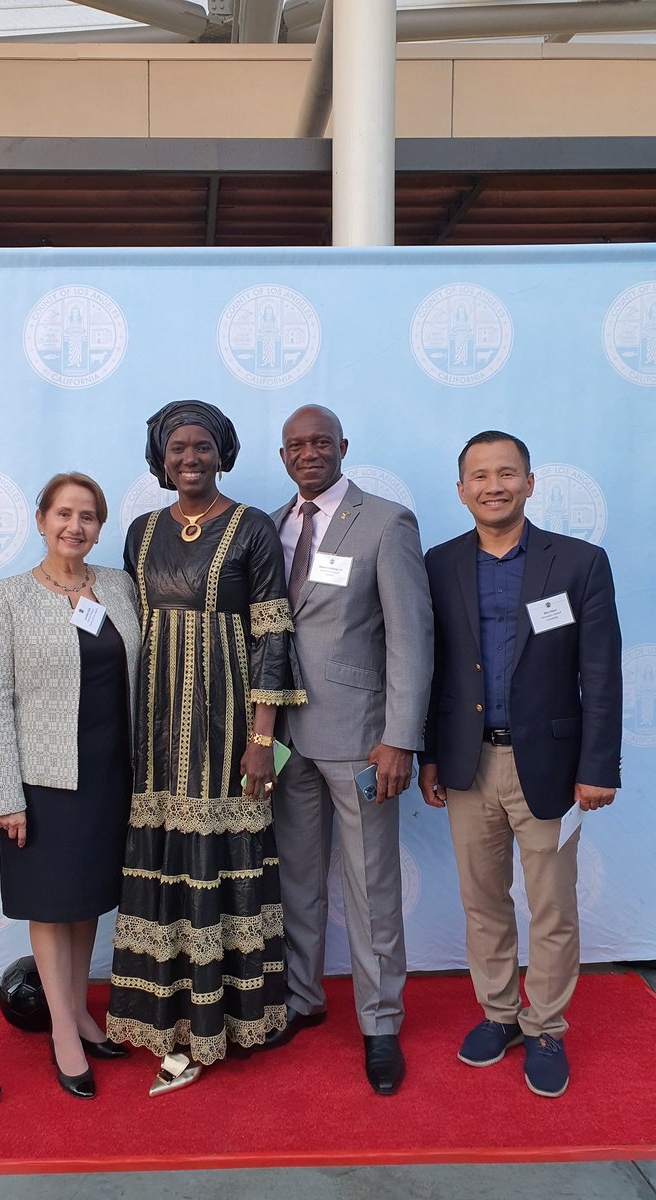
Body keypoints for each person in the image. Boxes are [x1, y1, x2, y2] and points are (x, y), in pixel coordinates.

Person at [106, 400, 305, 1096]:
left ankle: (227, 1022)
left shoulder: (251, 528)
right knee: (163, 865)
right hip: (155, 734)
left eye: (201, 446)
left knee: (220, 867)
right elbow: (128, 631)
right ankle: (165, 1023)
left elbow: (273, 637)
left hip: (225, 736)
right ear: (159, 458)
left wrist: (262, 740)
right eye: (175, 448)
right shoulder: (140, 532)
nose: (188, 458)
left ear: (223, 451)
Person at [418, 431, 622, 1099]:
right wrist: (429, 758)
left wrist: (598, 767)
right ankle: (499, 1014)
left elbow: (602, 672)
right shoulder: (439, 564)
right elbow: (433, 670)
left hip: (554, 769)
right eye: (479, 475)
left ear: (530, 484)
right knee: (483, 903)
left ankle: (545, 1027)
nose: (493, 485)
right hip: (468, 764)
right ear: (461, 491)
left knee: (552, 907)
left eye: (507, 473)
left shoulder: (580, 563)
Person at [264, 405, 433, 1097]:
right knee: (297, 879)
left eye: (321, 442)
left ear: (343, 448)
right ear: (283, 456)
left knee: (370, 884)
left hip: (363, 741)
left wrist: (399, 738)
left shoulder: (386, 522)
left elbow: (411, 638)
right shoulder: (271, 522)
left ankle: (380, 1022)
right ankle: (304, 997)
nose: (310, 453)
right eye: (297, 445)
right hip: (286, 742)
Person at [0, 472, 140, 1100]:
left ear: (100, 527)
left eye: (88, 517)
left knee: (88, 899)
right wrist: (6, 794)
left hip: (109, 772)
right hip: (43, 779)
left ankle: (77, 1011)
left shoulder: (120, 587)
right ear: (42, 519)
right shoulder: (9, 597)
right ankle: (62, 1034)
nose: (75, 527)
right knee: (51, 903)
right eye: (64, 514)